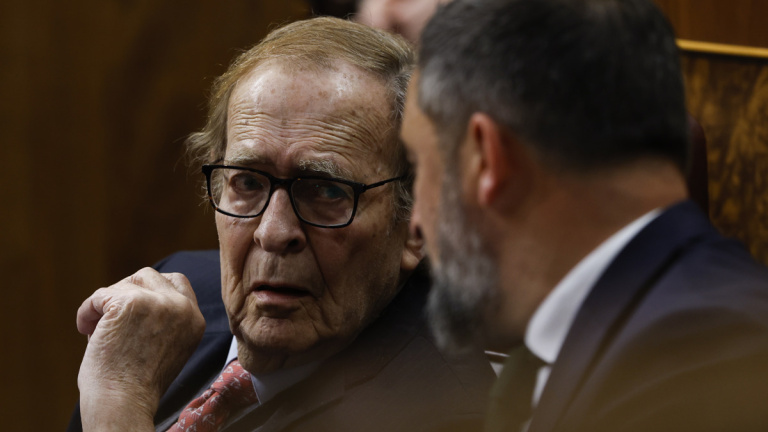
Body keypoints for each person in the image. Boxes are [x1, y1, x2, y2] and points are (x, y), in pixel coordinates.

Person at [69, 16, 494, 432]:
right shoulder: (169, 303)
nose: (272, 233)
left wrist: (116, 405)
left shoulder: (443, 413)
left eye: (326, 191)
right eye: (248, 182)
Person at [400, 0, 768, 431]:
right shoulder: (592, 335)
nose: (416, 222)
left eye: (418, 167)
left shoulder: (699, 363)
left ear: (486, 160)